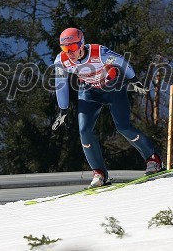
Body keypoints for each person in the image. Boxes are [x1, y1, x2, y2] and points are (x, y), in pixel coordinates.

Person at [52, 27, 164, 188]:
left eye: (73, 48)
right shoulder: (61, 61)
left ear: (82, 44)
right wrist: (63, 109)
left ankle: (153, 159)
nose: (69, 52)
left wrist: (134, 80)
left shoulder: (99, 53)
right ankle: (99, 173)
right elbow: (60, 84)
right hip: (89, 92)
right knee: (84, 130)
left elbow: (121, 62)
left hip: (113, 89)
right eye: (65, 48)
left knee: (123, 127)